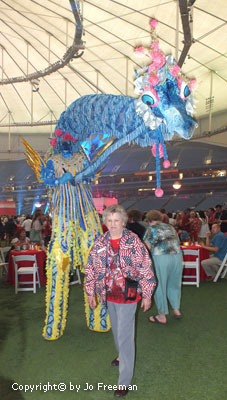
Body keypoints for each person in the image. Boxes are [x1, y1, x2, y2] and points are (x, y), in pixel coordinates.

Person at [85, 204, 156, 398]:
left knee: (125, 335)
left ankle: (123, 381)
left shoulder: (133, 241)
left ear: (123, 221)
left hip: (129, 294)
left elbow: (145, 268)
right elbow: (91, 268)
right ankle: (120, 355)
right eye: (110, 221)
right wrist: (90, 292)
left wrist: (147, 293)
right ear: (105, 222)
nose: (113, 224)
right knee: (116, 331)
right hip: (108, 294)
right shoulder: (100, 242)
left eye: (117, 220)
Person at [143, 210, 183, 324]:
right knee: (174, 284)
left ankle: (161, 315)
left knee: (159, 286)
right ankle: (176, 309)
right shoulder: (171, 228)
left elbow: (147, 248)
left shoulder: (151, 229)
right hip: (177, 257)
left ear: (149, 220)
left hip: (161, 258)